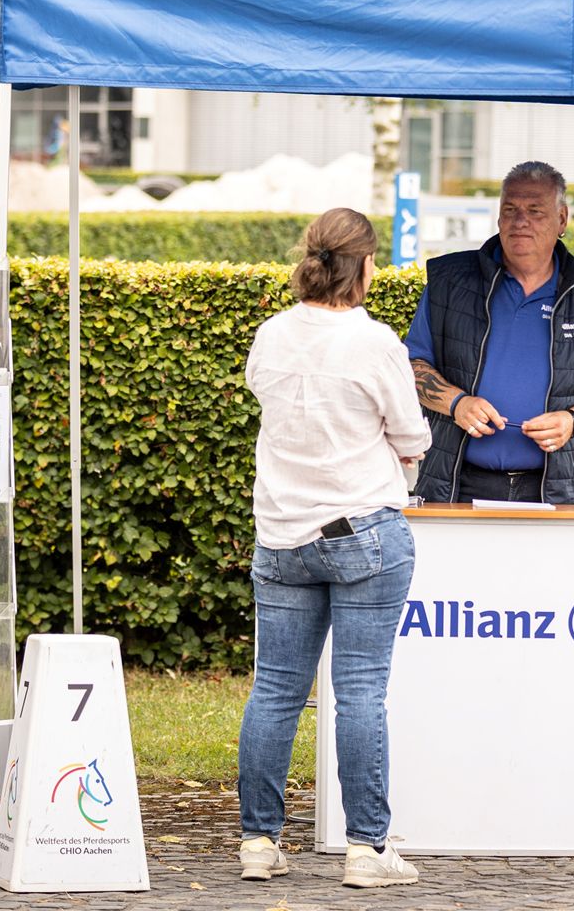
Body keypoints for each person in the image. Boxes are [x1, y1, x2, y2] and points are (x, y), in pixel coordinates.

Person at [237, 208, 431, 889]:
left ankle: (258, 842)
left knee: (275, 690)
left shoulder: (272, 334)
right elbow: (413, 436)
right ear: (365, 265)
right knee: (360, 693)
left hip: (281, 534)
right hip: (363, 529)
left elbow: (268, 397)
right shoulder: (373, 342)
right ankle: (367, 851)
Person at [405, 161, 574, 503]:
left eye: (535, 211)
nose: (520, 221)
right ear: (498, 217)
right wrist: (456, 403)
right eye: (510, 209)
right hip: (455, 485)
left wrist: (571, 421)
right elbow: (411, 365)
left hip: (553, 491)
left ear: (562, 220)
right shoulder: (450, 280)